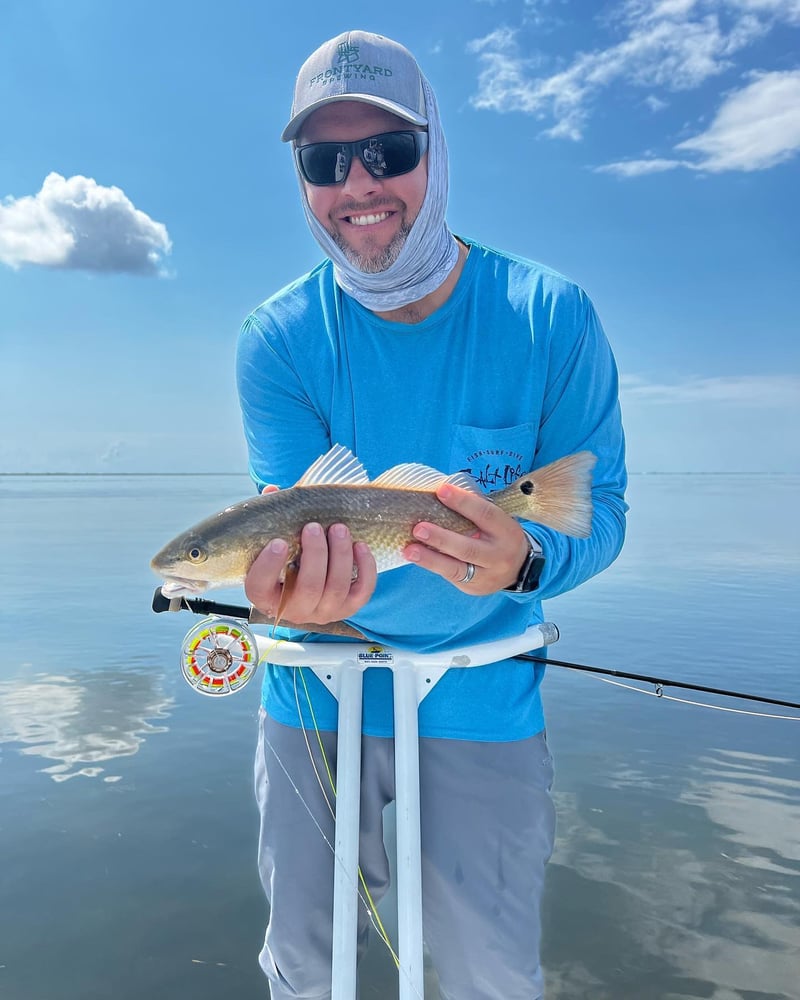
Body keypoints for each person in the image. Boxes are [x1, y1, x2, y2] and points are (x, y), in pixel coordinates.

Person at [236, 29, 627, 1000]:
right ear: (303, 179)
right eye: (325, 161)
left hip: (483, 695)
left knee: (491, 972)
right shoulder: (274, 339)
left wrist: (525, 561)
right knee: (303, 966)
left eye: (389, 151)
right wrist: (290, 592)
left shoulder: (550, 313)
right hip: (309, 695)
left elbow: (600, 512)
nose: (358, 183)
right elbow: (302, 529)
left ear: (435, 151)